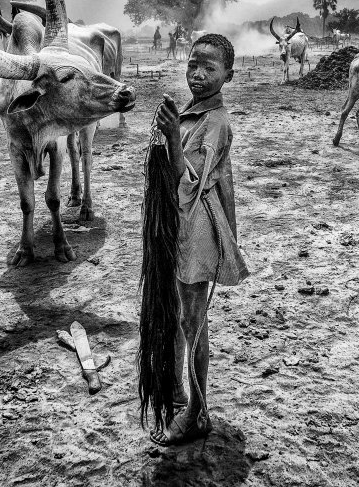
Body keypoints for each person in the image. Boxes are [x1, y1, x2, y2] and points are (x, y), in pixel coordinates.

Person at [151, 33, 249, 445]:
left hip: (196, 231)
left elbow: (187, 186)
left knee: (194, 321)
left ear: (229, 75)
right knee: (179, 312)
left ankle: (197, 412)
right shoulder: (194, 113)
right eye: (194, 64)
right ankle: (177, 389)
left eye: (210, 68)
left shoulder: (215, 124)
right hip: (182, 228)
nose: (199, 74)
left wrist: (173, 137)